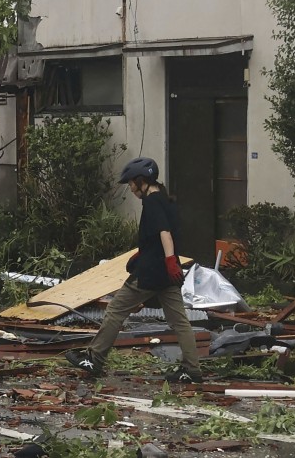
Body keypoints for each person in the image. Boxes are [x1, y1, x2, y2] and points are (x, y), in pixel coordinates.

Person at [65, 157, 203, 384]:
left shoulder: (152, 201)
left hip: (152, 272)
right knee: (180, 322)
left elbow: (165, 233)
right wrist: (147, 253)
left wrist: (166, 260)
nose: (130, 188)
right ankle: (192, 370)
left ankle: (94, 358)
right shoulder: (166, 200)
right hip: (167, 273)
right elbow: (164, 236)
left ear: (141, 181)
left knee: (115, 310)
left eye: (130, 183)